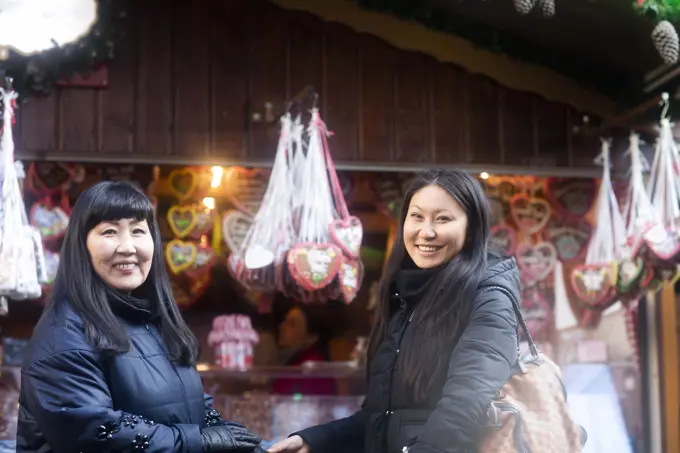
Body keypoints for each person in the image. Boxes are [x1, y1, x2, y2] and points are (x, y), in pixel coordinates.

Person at [268, 168, 520, 453]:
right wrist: (315, 440)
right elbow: (382, 417)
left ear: (472, 228)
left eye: (443, 218)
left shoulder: (489, 295)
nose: (426, 231)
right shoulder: (405, 294)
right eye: (417, 216)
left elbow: (465, 407)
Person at [17, 181, 262, 453]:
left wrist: (237, 442)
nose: (127, 247)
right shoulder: (63, 332)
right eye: (109, 231)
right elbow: (94, 432)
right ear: (81, 246)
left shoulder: (153, 321)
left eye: (137, 231)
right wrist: (199, 442)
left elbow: (191, 406)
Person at [271, 304, 336, 396]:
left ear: (311, 338)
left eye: (292, 324)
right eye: (285, 320)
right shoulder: (289, 360)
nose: (282, 327)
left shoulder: (312, 370)